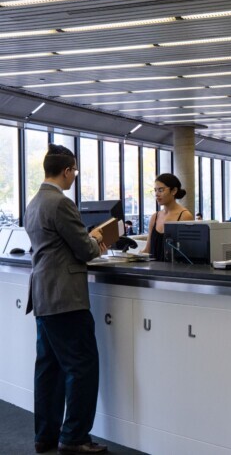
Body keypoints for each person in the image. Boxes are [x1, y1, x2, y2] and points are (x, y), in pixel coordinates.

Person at [24, 144, 108, 454]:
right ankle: (74, 438)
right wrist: (97, 238)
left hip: (44, 296)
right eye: (74, 170)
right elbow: (85, 250)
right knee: (82, 366)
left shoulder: (33, 202)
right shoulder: (61, 203)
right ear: (67, 170)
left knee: (49, 369)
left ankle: (45, 436)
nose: (74, 176)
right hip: (66, 298)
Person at [143, 173, 194, 261]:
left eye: (161, 190)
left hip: (173, 271)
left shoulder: (184, 216)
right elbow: (147, 250)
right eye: (155, 190)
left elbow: (187, 252)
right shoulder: (154, 217)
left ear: (174, 191)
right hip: (153, 270)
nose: (157, 194)